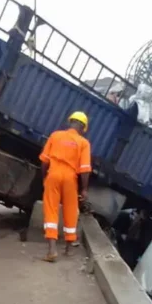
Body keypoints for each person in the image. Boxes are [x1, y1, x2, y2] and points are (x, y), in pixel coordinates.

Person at [39, 111, 91, 262]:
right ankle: (68, 249)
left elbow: (44, 161)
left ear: (71, 122)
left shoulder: (55, 136)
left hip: (53, 175)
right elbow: (85, 169)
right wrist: (84, 189)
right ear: (82, 127)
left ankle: (52, 250)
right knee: (70, 210)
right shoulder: (83, 143)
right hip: (70, 178)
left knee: (51, 209)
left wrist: (44, 178)